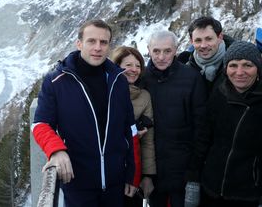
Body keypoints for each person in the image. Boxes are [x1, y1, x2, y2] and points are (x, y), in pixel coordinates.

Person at [32, 19, 136, 206]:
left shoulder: (118, 80)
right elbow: (40, 124)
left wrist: (132, 174)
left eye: (103, 42)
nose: (98, 47)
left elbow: (130, 129)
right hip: (78, 183)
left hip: (116, 182)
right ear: (79, 43)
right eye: (91, 41)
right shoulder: (57, 81)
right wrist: (56, 150)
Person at [186, 41, 262, 207]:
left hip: (246, 195)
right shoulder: (219, 93)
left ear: (258, 69)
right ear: (226, 69)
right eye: (233, 65)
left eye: (247, 65)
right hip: (210, 188)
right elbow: (203, 139)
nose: (239, 72)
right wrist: (193, 180)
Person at [141, 30, 207, 207]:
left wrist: (194, 170)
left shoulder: (191, 77)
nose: (161, 57)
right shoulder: (142, 78)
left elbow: (201, 126)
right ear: (148, 50)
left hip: (183, 169)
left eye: (167, 51)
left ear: (175, 50)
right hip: (152, 169)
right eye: (156, 51)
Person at [110, 46, 156, 206]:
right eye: (128, 65)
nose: (134, 70)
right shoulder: (105, 90)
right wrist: (130, 135)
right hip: (107, 170)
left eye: (137, 66)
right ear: (117, 65)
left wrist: (147, 175)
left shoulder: (144, 96)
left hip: (132, 171)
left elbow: (148, 140)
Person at [183, 16, 235, 92]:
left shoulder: (239, 65)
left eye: (209, 39)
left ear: (220, 37)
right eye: (198, 40)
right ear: (191, 42)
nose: (203, 45)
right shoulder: (187, 72)